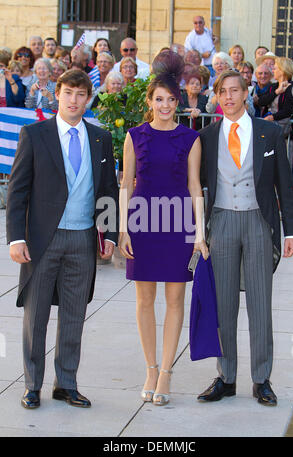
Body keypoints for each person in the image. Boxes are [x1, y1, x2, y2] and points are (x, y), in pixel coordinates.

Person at [6, 69, 119, 409]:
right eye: (68, 92)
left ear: (88, 99)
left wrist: (109, 232)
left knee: (74, 314)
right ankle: (32, 385)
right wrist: (15, 239)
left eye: (81, 94)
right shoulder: (35, 134)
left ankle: (66, 383)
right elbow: (18, 190)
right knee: (36, 314)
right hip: (43, 240)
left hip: (82, 239)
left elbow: (108, 190)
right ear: (58, 94)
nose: (74, 100)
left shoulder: (100, 138)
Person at [198, 70, 293, 406]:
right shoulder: (208, 136)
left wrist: (292, 231)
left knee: (260, 305)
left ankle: (261, 379)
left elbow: (285, 184)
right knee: (224, 305)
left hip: (258, 221)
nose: (228, 97)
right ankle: (226, 377)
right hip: (222, 221)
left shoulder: (269, 132)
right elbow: (193, 185)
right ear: (216, 96)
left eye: (234, 91)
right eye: (222, 92)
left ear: (246, 93)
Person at [119, 50, 209, 406]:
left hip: (177, 225)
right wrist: (123, 229)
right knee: (144, 300)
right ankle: (150, 368)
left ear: (178, 101)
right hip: (142, 224)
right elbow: (126, 184)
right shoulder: (134, 136)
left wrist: (198, 233)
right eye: (159, 99)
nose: (166, 105)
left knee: (174, 300)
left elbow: (194, 187)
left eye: (172, 99)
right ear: (150, 100)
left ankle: (167, 373)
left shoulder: (190, 139)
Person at [257, 57, 293, 132]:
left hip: (283, 128)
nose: (273, 71)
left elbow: (288, 110)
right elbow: (261, 102)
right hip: (269, 125)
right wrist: (277, 92)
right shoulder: (273, 86)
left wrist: (272, 117)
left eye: (275, 68)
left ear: (282, 71)